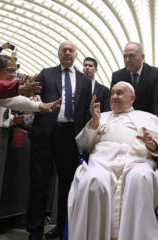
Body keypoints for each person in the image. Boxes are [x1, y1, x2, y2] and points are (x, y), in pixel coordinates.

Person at [67, 81, 158, 240]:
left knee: (140, 177)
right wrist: (94, 123)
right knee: (93, 180)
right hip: (102, 164)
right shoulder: (101, 117)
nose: (114, 97)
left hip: (137, 162)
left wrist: (152, 145)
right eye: (113, 93)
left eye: (120, 93)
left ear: (132, 98)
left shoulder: (148, 117)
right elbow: (83, 147)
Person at [26, 40, 92, 240]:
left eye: (71, 50)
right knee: (39, 184)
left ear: (75, 55)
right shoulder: (46, 73)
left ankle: (61, 228)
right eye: (64, 50)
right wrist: (36, 98)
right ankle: (35, 231)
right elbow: (36, 93)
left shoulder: (85, 81)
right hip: (45, 134)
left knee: (68, 185)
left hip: (70, 136)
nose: (67, 53)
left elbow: (85, 112)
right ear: (59, 54)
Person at [111, 42, 158, 121]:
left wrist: (156, 125)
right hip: (123, 123)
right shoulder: (117, 76)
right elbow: (113, 103)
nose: (127, 60)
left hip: (148, 122)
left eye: (131, 56)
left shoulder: (155, 74)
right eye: (125, 56)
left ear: (142, 57)